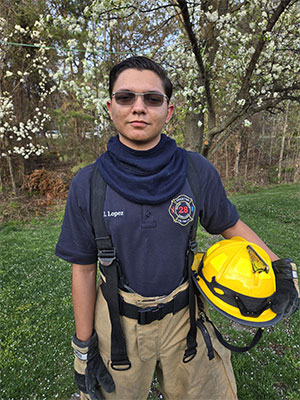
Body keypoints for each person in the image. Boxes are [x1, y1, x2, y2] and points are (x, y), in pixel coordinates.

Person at [55, 56, 299, 400]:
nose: (139, 107)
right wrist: (84, 349)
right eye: (126, 97)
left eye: (152, 99)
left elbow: (230, 225)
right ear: (110, 107)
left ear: (169, 111)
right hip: (116, 323)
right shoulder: (88, 184)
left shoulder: (195, 171)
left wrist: (280, 270)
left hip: (186, 318)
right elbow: (82, 270)